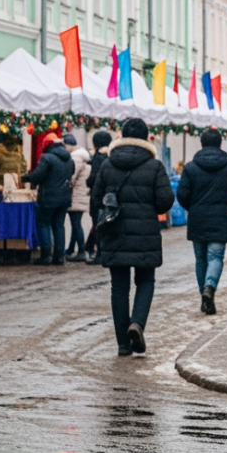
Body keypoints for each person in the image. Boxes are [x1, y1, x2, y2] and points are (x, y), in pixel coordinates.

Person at [91, 118, 174, 357]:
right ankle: (137, 323)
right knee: (145, 281)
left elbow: (96, 199)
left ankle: (123, 344)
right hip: (145, 233)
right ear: (146, 138)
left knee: (119, 287)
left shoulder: (107, 164)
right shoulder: (155, 166)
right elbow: (165, 201)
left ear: (122, 136)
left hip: (114, 232)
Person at [177, 129, 227, 316]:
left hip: (197, 218)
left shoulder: (190, 168)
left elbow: (182, 194)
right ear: (220, 144)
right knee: (215, 257)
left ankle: (204, 296)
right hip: (220, 218)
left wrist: (193, 207)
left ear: (201, 144)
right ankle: (209, 288)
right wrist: (225, 203)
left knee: (201, 259)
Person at [23, 134, 74, 266]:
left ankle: (46, 255)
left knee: (44, 224)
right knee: (59, 225)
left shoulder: (46, 158)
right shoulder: (69, 159)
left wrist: (25, 178)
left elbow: (38, 175)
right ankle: (59, 256)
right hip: (64, 197)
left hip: (48, 197)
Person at [85, 130, 113, 265]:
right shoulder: (112, 155)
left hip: (99, 198)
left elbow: (94, 178)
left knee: (98, 225)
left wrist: (88, 182)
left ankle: (100, 254)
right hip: (110, 197)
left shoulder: (98, 157)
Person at [65, 134, 91, 262]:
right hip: (81, 194)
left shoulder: (76, 158)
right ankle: (71, 249)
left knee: (76, 224)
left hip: (76, 195)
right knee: (76, 223)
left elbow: (72, 177)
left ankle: (81, 251)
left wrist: (66, 185)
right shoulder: (82, 156)